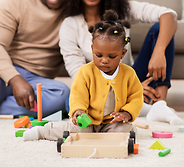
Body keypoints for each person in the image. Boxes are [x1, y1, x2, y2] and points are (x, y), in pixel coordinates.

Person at [59, 0, 183, 125]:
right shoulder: (69, 25)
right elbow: (78, 74)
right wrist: (129, 90)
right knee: (71, 102)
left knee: (159, 30)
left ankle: (160, 102)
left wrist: (159, 52)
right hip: (95, 89)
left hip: (129, 77)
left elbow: (168, 15)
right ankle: (147, 107)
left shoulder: (122, 9)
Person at [23, 10, 143, 141]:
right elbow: (77, 96)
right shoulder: (85, 72)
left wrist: (126, 113)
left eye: (112, 56)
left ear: (123, 53)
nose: (104, 60)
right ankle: (43, 131)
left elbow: (136, 97)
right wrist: (78, 111)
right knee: (75, 130)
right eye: (99, 55)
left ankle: (109, 134)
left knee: (124, 131)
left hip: (112, 122)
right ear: (92, 49)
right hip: (88, 121)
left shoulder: (129, 73)